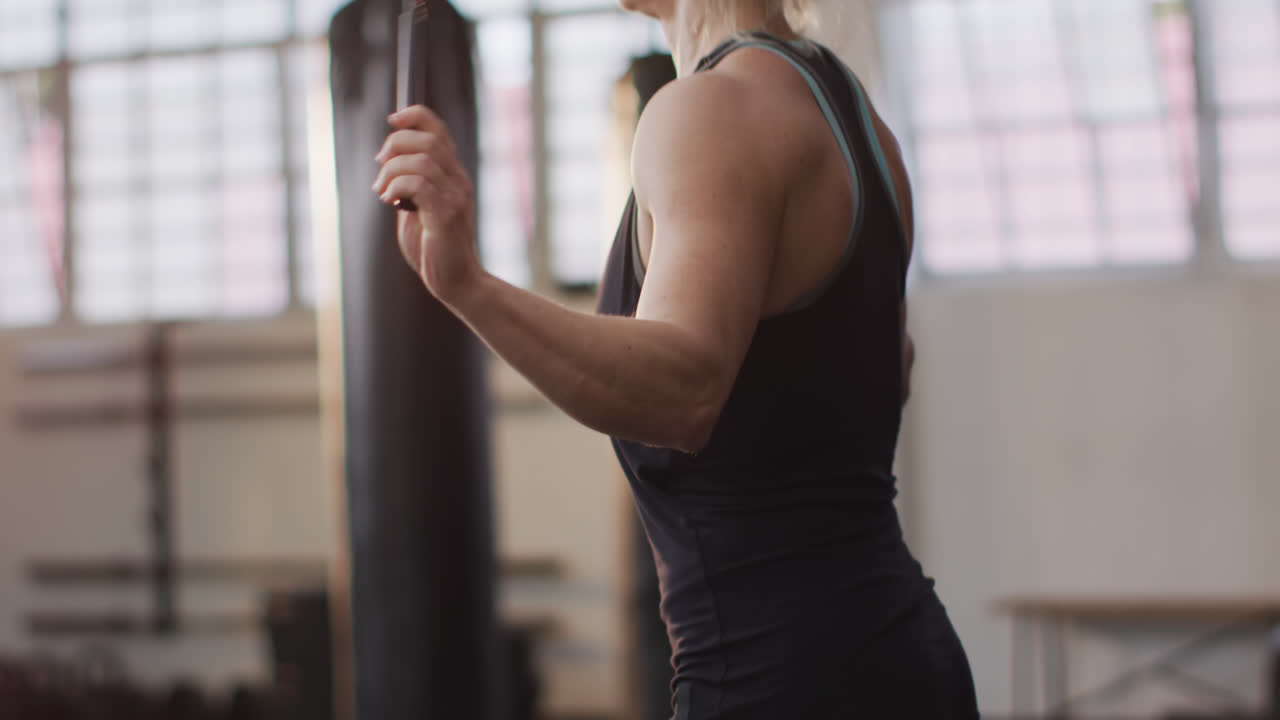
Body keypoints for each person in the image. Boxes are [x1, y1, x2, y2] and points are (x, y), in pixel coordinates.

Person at [371, 0, 977, 714]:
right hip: (901, 656)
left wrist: (466, 285)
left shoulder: (707, 112)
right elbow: (886, 367)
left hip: (778, 677)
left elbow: (684, 390)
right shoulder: (863, 128)